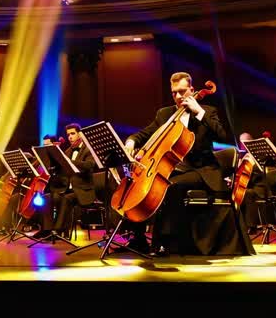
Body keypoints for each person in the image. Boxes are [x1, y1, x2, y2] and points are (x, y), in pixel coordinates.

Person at [122, 71, 229, 257]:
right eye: (174, 93)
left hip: (202, 170)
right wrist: (131, 141)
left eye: (182, 91)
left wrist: (199, 112)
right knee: (136, 184)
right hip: (176, 168)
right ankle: (138, 238)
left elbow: (222, 135)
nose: (178, 96)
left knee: (170, 187)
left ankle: (164, 242)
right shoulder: (165, 114)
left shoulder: (208, 112)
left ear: (192, 90)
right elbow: (144, 134)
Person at [52, 123, 107, 236]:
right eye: (68, 135)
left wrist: (69, 162)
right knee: (51, 196)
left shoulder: (88, 150)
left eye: (73, 133)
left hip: (84, 190)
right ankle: (48, 230)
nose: (70, 137)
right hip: (69, 189)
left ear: (80, 134)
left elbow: (89, 165)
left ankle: (58, 230)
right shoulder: (67, 151)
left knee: (66, 199)